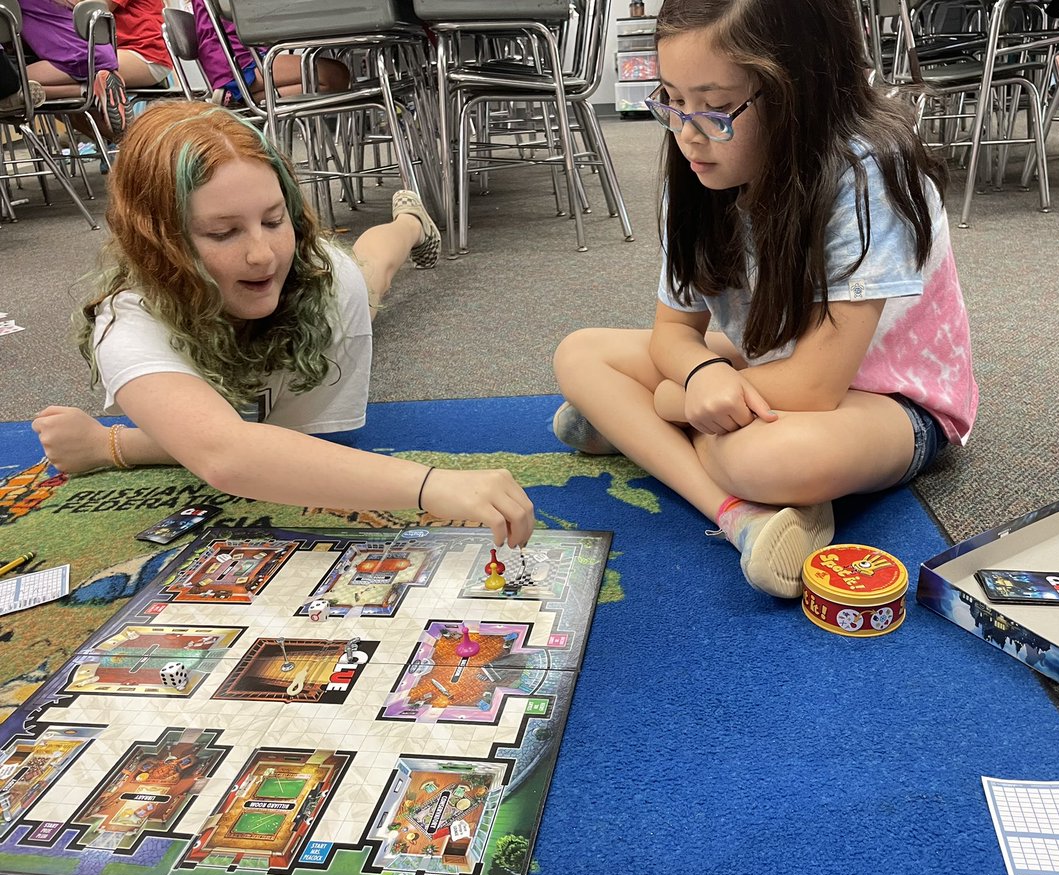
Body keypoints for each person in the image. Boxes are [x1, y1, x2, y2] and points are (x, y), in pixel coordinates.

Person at [552, 0, 978, 598]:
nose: (687, 132)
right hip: (767, 364)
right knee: (580, 353)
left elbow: (812, 390)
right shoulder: (700, 170)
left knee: (771, 460)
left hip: (889, 398)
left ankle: (642, 431)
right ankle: (738, 515)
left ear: (802, 88)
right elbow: (672, 333)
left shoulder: (868, 175)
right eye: (671, 99)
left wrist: (677, 399)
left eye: (719, 107)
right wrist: (700, 373)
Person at [33, 102, 533, 548]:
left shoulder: (323, 279)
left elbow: (304, 446)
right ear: (155, 242)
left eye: (275, 221)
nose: (261, 254)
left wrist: (113, 445)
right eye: (223, 232)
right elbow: (229, 451)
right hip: (243, 342)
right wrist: (433, 485)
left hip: (321, 298)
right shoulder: (126, 318)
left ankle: (410, 225)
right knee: (362, 279)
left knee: (369, 275)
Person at [191, 0, 350, 105]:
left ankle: (237, 101)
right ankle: (238, 100)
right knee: (334, 75)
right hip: (235, 59)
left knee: (335, 76)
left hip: (239, 54)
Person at [17, 0, 129, 138]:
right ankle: (92, 89)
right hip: (99, 52)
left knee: (13, 84)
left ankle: (88, 90)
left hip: (76, 57)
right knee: (21, 86)